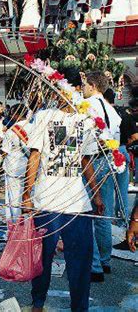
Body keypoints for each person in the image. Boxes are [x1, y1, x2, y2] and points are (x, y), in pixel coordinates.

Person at [22, 86, 104, 312]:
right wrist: (27, 194)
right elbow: (35, 155)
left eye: (66, 90)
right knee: (42, 258)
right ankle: (37, 304)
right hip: (47, 200)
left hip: (77, 201)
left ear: (76, 90)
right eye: (56, 90)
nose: (60, 95)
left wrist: (96, 194)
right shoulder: (44, 117)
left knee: (81, 261)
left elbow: (86, 160)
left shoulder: (85, 120)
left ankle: (80, 308)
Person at [83, 71, 122, 281]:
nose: (82, 88)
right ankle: (105, 261)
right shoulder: (111, 109)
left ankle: (95, 266)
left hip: (92, 160)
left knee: (88, 214)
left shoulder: (86, 105)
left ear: (92, 86)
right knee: (103, 213)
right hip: (109, 159)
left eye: (84, 84)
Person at [103, 89, 138, 225]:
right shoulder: (124, 114)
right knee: (122, 189)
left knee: (107, 188)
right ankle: (121, 219)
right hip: (122, 150)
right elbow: (135, 136)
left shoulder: (102, 114)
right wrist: (125, 145)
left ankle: (107, 217)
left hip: (106, 152)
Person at [1, 103, 32, 220]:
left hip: (13, 169)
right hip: (31, 169)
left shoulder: (11, 131)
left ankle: (15, 227)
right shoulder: (34, 127)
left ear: (15, 114)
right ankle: (29, 227)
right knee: (29, 198)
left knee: (13, 200)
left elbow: (5, 151)